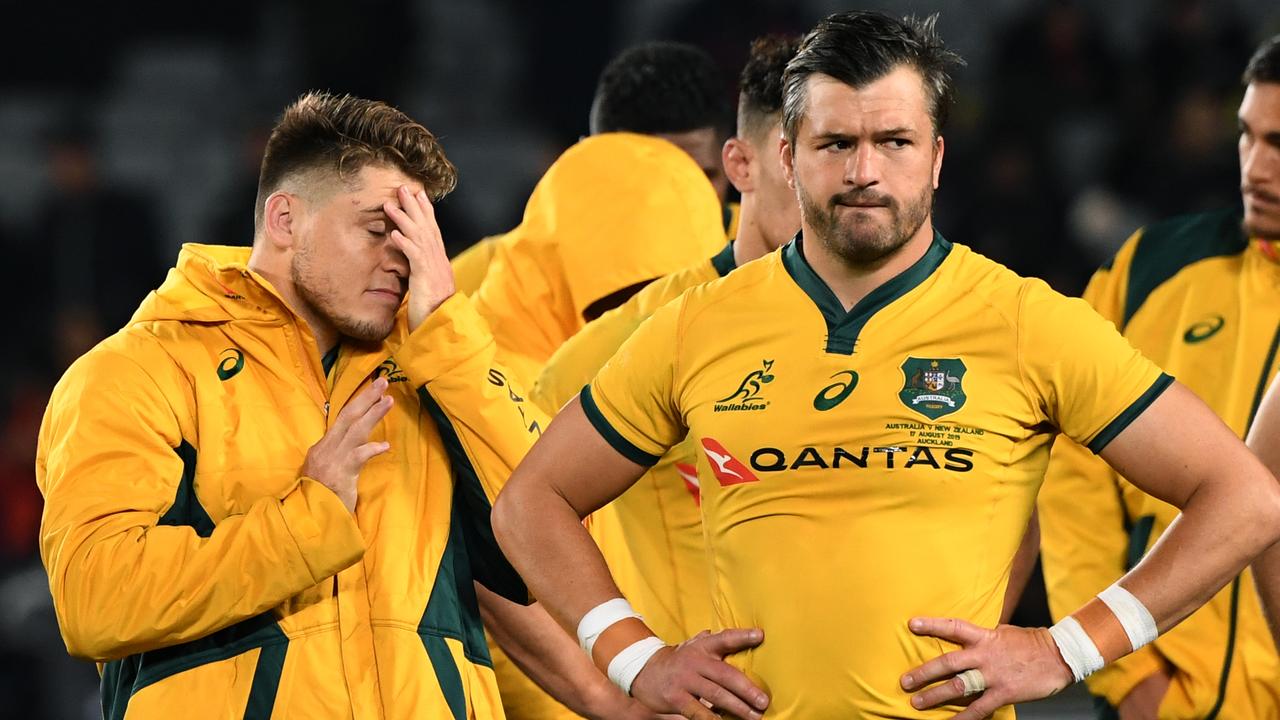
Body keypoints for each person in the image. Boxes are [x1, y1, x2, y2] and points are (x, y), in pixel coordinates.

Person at [490, 11, 1280, 720]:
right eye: (836, 144)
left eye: (893, 142)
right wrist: (633, 660)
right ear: (788, 156)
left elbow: (1244, 498)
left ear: (935, 158)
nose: (864, 171)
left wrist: (1064, 649)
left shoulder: (1024, 321)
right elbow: (531, 502)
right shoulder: (695, 324)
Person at [34, 91, 635, 719]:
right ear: (285, 220)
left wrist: (451, 348)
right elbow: (95, 600)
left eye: (413, 237)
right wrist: (306, 520)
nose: (401, 261)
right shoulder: (137, 370)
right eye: (379, 229)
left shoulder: (434, 371)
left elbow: (560, 525)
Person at [528, 33, 801, 647]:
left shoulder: (932, 320)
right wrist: (626, 673)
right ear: (742, 165)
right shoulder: (627, 339)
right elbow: (513, 523)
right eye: (802, 155)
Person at [1038, 34, 1280, 720]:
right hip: (1157, 696)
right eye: (1246, 135)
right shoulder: (1153, 267)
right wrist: (1130, 677)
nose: (1255, 168)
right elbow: (1069, 475)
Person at [451, 40, 733, 297]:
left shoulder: (765, 270)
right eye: (652, 181)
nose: (682, 203)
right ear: (588, 161)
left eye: (701, 178)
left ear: (736, 164)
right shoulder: (466, 290)